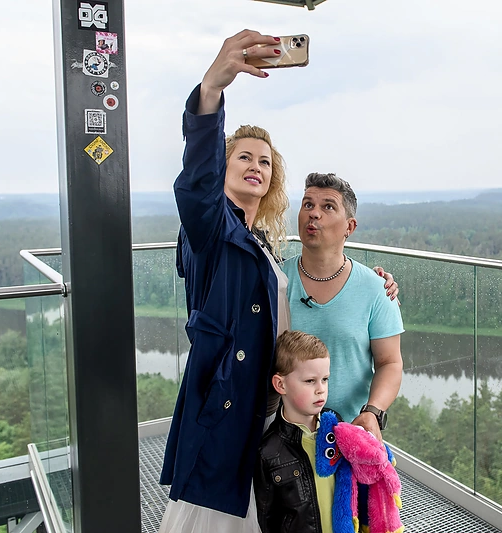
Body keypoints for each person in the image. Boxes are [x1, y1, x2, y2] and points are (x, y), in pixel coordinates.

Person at [158, 30, 398, 533]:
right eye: (243, 156)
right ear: (222, 166)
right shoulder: (211, 227)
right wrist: (212, 91)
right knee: (217, 517)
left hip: (269, 411)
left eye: (265, 161)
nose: (255, 165)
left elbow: (308, 294)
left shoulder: (263, 243)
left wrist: (375, 285)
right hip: (229, 406)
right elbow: (196, 188)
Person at [281, 173, 404, 441]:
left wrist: (373, 412)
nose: (314, 214)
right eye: (307, 205)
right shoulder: (275, 281)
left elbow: (390, 362)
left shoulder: (376, 288)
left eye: (328, 207)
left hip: (349, 436)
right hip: (280, 436)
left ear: (350, 227)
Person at [254, 330, 336, 533]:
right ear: (280, 384)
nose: (321, 389)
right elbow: (268, 520)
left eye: (325, 379)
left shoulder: (337, 427)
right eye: (310, 381)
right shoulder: (268, 452)